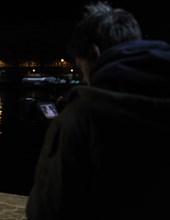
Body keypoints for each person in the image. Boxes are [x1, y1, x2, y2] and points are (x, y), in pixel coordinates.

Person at [26, 1, 170, 219]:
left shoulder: (81, 116)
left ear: (94, 53)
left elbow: (45, 210)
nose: (84, 78)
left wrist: (60, 130)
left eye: (81, 66)